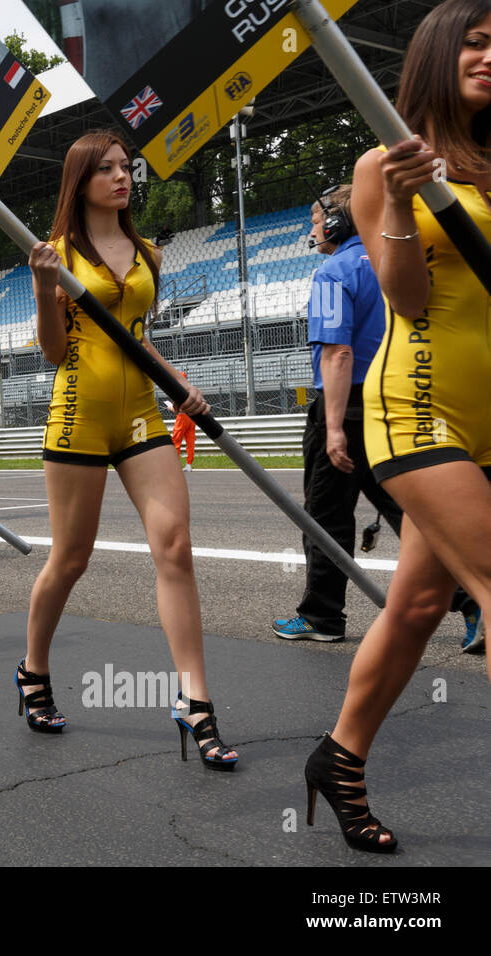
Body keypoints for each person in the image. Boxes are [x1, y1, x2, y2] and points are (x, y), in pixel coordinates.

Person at [304, 0, 491, 853]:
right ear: (439, 54)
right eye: (479, 43)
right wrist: (404, 206)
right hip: (416, 407)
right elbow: (408, 297)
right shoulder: (385, 161)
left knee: (417, 603)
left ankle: (338, 759)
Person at [18, 130, 239, 770]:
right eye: (107, 168)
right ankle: (33, 669)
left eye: (126, 167)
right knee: (71, 558)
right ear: (80, 179)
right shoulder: (54, 254)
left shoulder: (149, 252)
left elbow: (135, 339)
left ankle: (195, 701)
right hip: (77, 415)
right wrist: (41, 289)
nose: (123, 176)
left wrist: (181, 383)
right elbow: (56, 352)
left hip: (142, 412)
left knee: (175, 545)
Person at [270, 185, 484, 649]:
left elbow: (337, 352)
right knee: (414, 512)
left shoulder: (334, 271)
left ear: (335, 221)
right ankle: (475, 603)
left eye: (314, 220)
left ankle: (322, 615)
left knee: (327, 517)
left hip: (347, 405)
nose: (312, 229)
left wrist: (331, 426)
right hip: (404, 398)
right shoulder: (399, 261)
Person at [164, 371, 195, 471]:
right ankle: (189, 465)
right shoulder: (190, 390)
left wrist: (170, 408)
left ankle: (176, 466)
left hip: (182, 418)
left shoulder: (178, 390)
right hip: (192, 418)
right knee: (190, 442)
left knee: (176, 441)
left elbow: (177, 409)